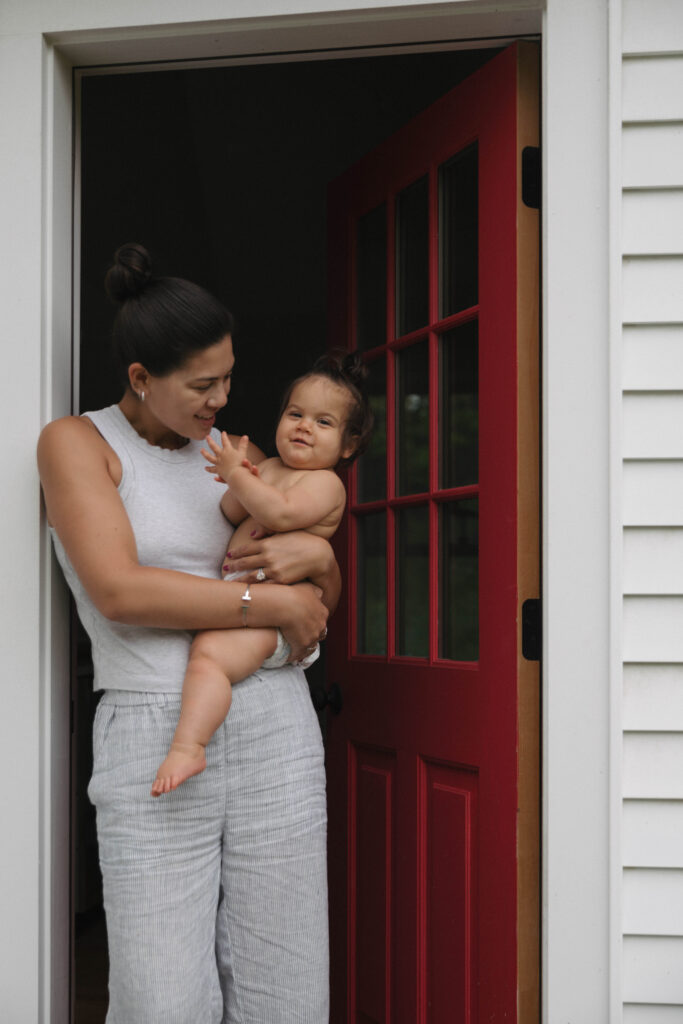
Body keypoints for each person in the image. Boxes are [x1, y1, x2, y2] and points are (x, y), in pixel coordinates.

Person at [37, 242, 337, 1023]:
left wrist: (317, 575)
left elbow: (309, 583)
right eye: (202, 384)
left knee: (288, 990)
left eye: (228, 378)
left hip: (275, 717)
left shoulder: (238, 458)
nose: (221, 398)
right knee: (161, 999)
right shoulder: (79, 444)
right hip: (153, 725)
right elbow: (119, 590)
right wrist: (266, 606)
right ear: (141, 378)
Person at [152, 353, 372, 796]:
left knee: (209, 657)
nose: (304, 426)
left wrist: (240, 476)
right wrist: (241, 481)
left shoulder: (326, 484)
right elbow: (231, 509)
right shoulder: (269, 468)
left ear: (347, 446)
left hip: (278, 622)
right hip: (249, 604)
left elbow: (280, 512)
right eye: (296, 414)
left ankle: (189, 745)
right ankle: (191, 743)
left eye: (323, 422)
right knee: (209, 653)